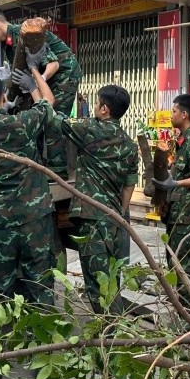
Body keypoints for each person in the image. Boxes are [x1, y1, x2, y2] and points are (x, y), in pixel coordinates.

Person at [32, 67, 138, 313]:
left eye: (97, 104)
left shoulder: (90, 131)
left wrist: (34, 83)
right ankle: (114, 333)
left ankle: (109, 338)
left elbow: (50, 115)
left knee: (97, 284)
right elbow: (129, 185)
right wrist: (119, 213)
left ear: (104, 109)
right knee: (112, 279)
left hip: (92, 219)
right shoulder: (130, 145)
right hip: (114, 219)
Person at [0, 66, 57, 351]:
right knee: (40, 288)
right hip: (35, 220)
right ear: (4, 96)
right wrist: (34, 81)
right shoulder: (24, 123)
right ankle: (45, 357)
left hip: (1, 224)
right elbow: (49, 102)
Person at [0, 6, 83, 177]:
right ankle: (36, 166)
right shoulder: (8, 45)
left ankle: (58, 172)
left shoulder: (26, 34)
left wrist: (36, 80)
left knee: (53, 120)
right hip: (43, 80)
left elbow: (54, 64)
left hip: (64, 75)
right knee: (33, 118)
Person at [153, 94, 190, 276]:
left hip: (189, 216)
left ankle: (187, 303)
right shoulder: (182, 140)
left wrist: (175, 182)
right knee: (173, 262)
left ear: (184, 114)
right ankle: (179, 301)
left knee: (182, 266)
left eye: (174, 111)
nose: (171, 115)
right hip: (177, 213)